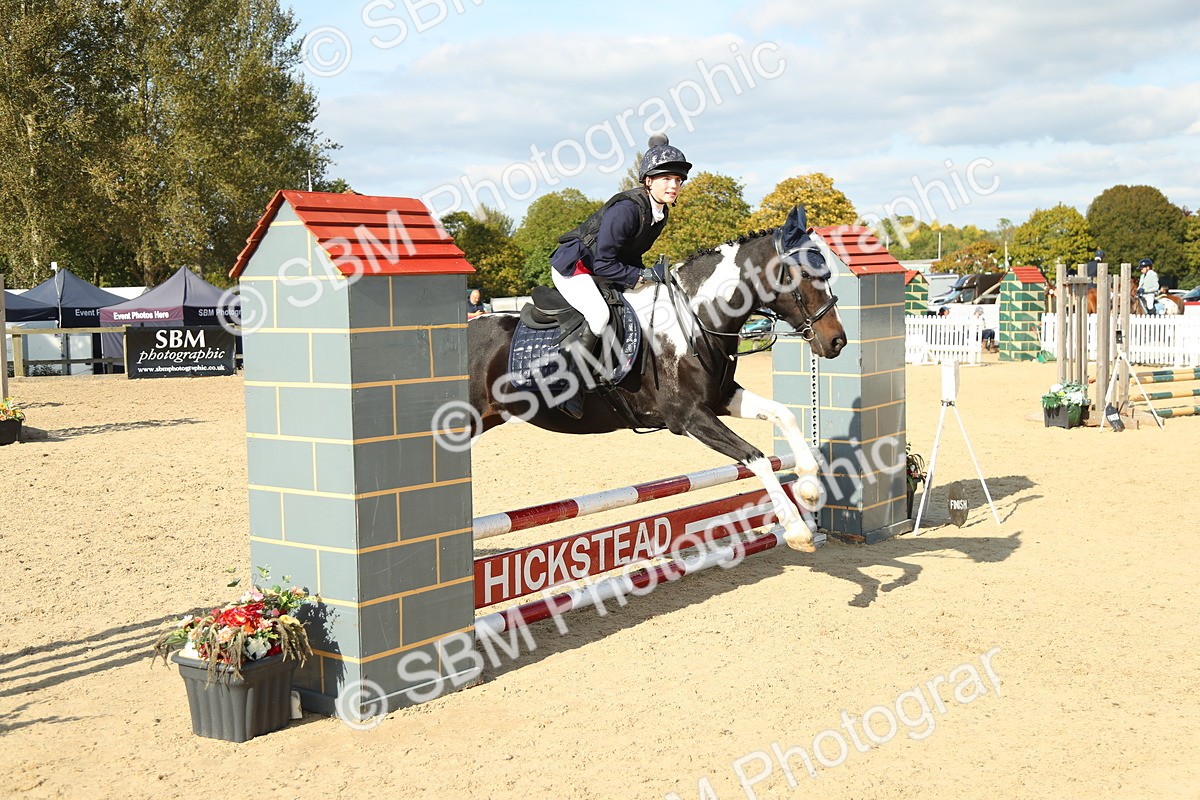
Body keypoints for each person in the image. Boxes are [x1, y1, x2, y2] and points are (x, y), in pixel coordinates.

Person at [548, 134, 690, 355]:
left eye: (678, 180)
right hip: (576, 267)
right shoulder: (627, 209)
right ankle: (574, 374)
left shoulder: (660, 213)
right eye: (667, 179)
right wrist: (644, 275)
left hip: (601, 269)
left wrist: (649, 276)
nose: (674, 186)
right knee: (599, 316)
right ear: (649, 181)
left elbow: (631, 255)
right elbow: (604, 263)